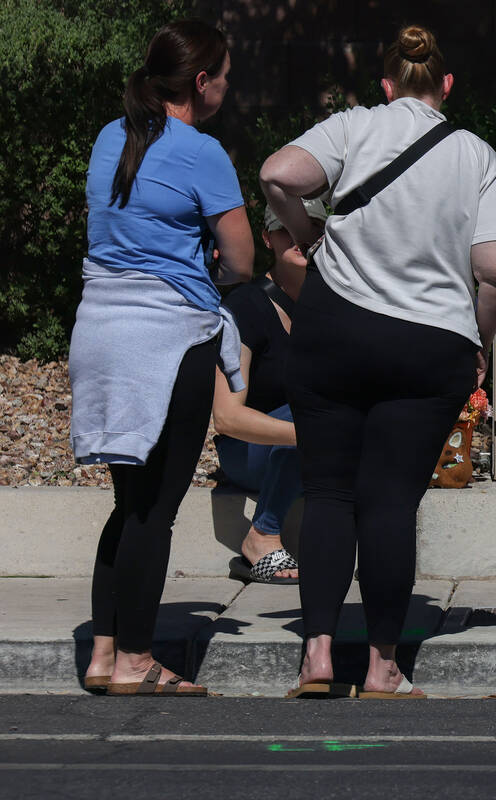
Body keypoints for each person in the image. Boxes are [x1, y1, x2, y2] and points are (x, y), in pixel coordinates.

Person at [259, 24, 496, 699]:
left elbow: (277, 173)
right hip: (429, 343)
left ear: (385, 84)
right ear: (446, 85)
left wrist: (309, 232)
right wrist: (480, 338)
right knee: (390, 502)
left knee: (328, 492)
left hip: (333, 328)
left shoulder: (354, 126)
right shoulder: (475, 154)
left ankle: (317, 658)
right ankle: (382, 666)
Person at [71, 18, 253, 696]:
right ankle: (136, 660)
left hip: (100, 329)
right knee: (156, 509)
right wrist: (209, 269)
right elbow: (241, 260)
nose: (227, 87)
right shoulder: (202, 152)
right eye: (224, 77)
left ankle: (104, 653)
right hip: (167, 337)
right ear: (200, 82)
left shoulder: (109, 137)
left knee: (129, 502)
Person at [212, 198, 328, 584]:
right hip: (248, 451)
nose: (299, 237)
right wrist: (309, 434)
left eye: (312, 228)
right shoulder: (244, 306)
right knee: (313, 412)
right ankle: (262, 534)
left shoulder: (333, 304)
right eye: (286, 229)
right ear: (267, 238)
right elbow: (226, 417)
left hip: (315, 443)